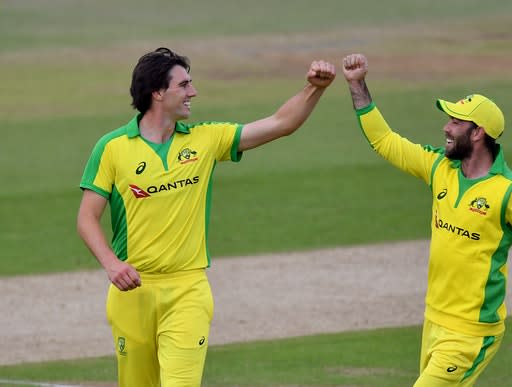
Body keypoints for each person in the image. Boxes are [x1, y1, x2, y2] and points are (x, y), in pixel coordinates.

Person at [77, 47, 335, 387]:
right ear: (157, 92)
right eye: (183, 85)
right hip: (132, 294)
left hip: (188, 290)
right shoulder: (111, 148)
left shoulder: (206, 139)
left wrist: (314, 88)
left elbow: (280, 123)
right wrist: (112, 264)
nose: (192, 92)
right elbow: (86, 218)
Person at [341, 53, 512, 386]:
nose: (446, 127)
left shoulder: (509, 192)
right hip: (433, 320)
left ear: (478, 132)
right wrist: (357, 84)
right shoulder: (440, 168)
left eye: (455, 122)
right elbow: (385, 141)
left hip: (471, 334)